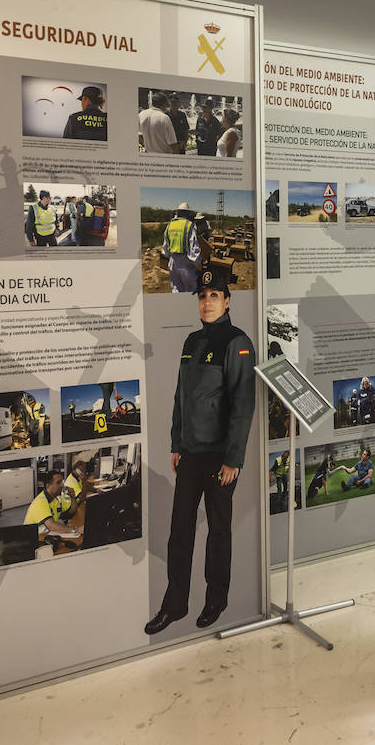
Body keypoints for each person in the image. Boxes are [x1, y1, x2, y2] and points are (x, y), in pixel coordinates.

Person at [145, 266, 256, 635]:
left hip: (220, 457)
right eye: (202, 296)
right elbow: (181, 397)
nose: (207, 302)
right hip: (191, 454)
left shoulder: (237, 342)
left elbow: (243, 405)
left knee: (218, 531)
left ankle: (216, 600)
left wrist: (234, 460)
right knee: (180, 532)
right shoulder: (191, 343)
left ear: (227, 300)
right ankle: (174, 605)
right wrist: (177, 443)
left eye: (214, 296)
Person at [161, 202, 202, 293]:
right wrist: (196, 262)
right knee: (191, 289)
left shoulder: (170, 225)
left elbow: (165, 247)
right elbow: (194, 247)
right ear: (187, 213)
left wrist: (168, 256)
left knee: (176, 288)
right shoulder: (189, 225)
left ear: (178, 212)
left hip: (172, 261)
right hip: (185, 263)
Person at [23, 470, 71, 539]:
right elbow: (51, 525)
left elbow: (71, 511)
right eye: (58, 482)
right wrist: (75, 529)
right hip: (34, 539)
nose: (62, 485)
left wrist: (72, 497)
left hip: (48, 534)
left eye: (62, 481)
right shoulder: (40, 502)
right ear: (48, 486)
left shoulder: (56, 498)